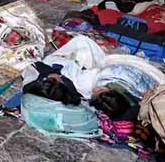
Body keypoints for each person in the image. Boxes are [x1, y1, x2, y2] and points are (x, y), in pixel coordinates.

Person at [22, 36, 165, 119]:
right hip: (118, 72)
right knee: (81, 44)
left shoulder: (83, 87)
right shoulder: (91, 83)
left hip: (118, 75)